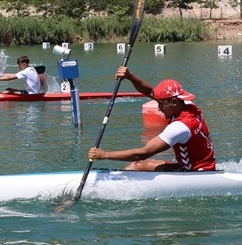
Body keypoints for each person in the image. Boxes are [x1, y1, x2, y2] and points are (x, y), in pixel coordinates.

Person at [87, 67, 215, 171]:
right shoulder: (189, 106)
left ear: (174, 102)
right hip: (201, 165)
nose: (158, 108)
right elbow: (151, 92)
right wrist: (130, 77)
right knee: (137, 165)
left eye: (161, 104)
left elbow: (143, 153)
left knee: (137, 163)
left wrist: (104, 155)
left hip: (194, 173)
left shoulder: (179, 127)